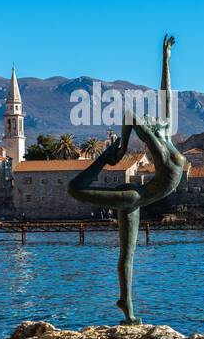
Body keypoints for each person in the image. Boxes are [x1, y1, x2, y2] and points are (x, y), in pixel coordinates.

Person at [69, 34, 184, 323]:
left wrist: (166, 59)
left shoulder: (165, 133)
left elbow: (166, 95)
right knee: (74, 189)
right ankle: (102, 158)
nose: (155, 118)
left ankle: (126, 305)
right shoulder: (157, 144)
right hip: (132, 197)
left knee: (128, 254)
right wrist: (120, 148)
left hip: (137, 200)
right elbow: (131, 115)